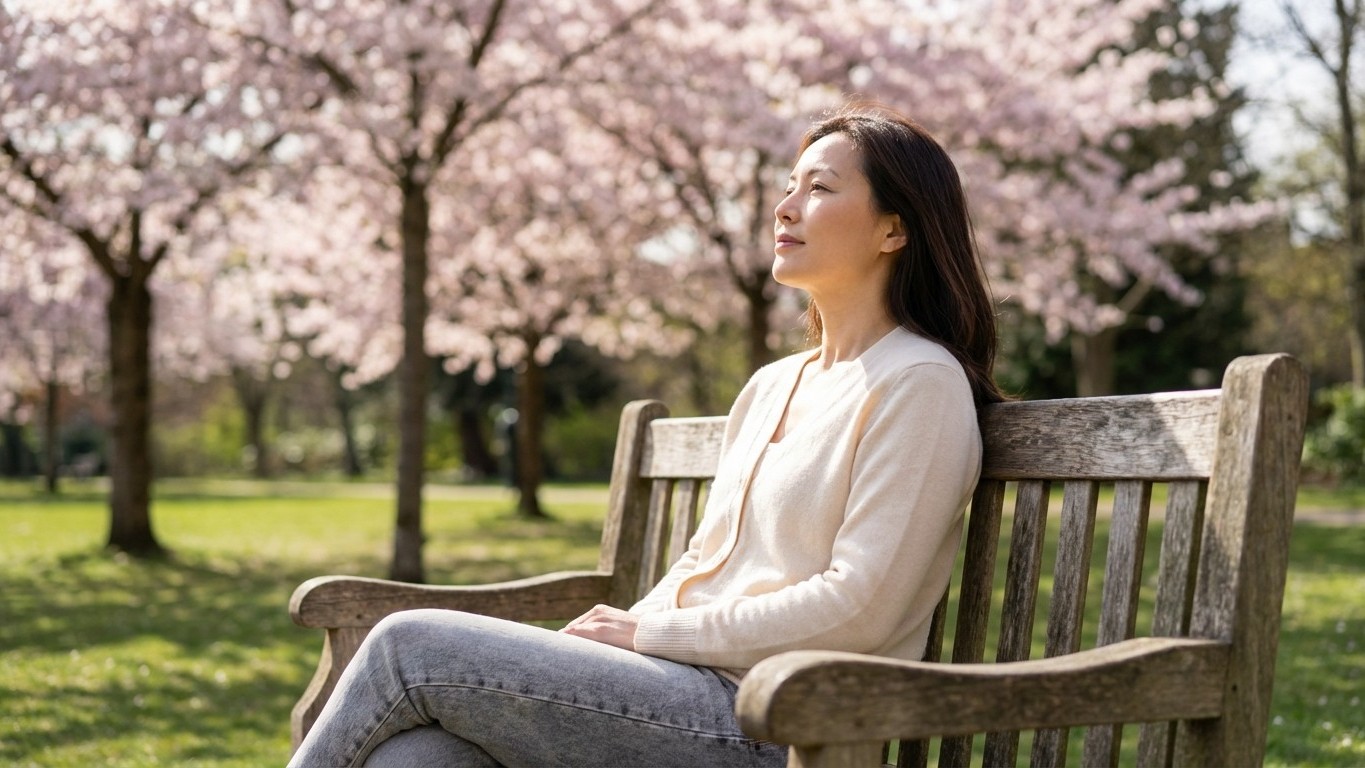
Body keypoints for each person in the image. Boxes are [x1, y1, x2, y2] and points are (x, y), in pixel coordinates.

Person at [287, 101, 1004, 768]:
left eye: (819, 189)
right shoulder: (773, 384)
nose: (785, 207)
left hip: (782, 725)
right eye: (789, 186)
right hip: (679, 690)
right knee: (420, 757)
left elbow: (861, 607)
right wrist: (612, 646)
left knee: (407, 644)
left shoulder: (918, 383)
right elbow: (703, 559)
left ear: (893, 230)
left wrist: (646, 635)